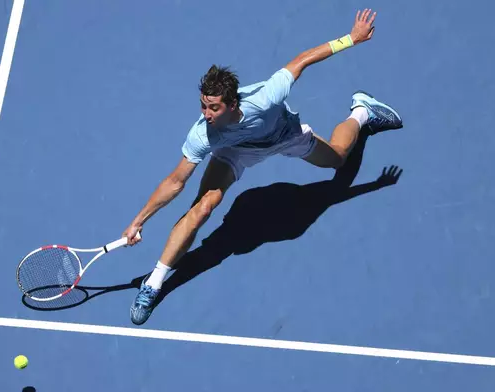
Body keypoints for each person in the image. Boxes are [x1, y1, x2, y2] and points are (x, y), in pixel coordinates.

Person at [122, 9, 403, 325]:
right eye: (203, 105)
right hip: (237, 152)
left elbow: (302, 60)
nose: (206, 113)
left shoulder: (267, 97)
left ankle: (361, 111)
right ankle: (154, 282)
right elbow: (175, 181)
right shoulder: (204, 132)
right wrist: (139, 221)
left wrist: (351, 38)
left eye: (213, 107)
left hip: (284, 136)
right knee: (202, 208)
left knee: (338, 159)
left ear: (233, 104)